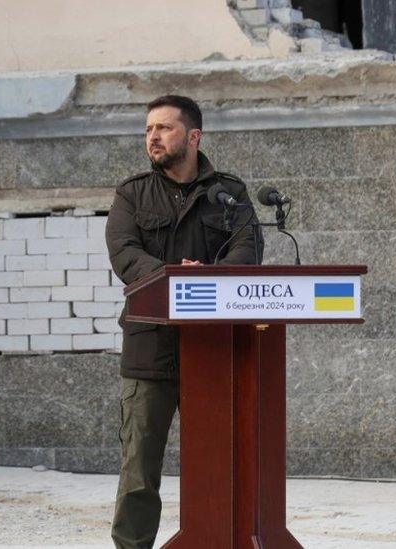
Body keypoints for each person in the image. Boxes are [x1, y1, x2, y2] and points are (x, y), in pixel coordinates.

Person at [105, 95, 259, 549]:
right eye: (149, 129)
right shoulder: (131, 193)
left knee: (216, 465)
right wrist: (174, 278)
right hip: (149, 348)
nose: (153, 136)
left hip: (212, 348)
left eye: (164, 128)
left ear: (193, 136)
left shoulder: (229, 193)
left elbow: (247, 251)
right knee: (138, 471)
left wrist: (207, 279)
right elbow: (124, 252)